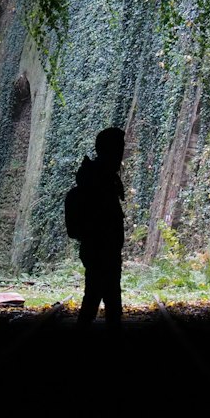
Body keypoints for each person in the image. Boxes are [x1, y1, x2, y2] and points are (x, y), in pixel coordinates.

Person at [75, 127, 126, 332]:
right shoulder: (101, 176)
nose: (122, 151)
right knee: (105, 295)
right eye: (119, 146)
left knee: (98, 293)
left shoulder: (98, 173)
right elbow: (103, 215)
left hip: (100, 246)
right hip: (101, 246)